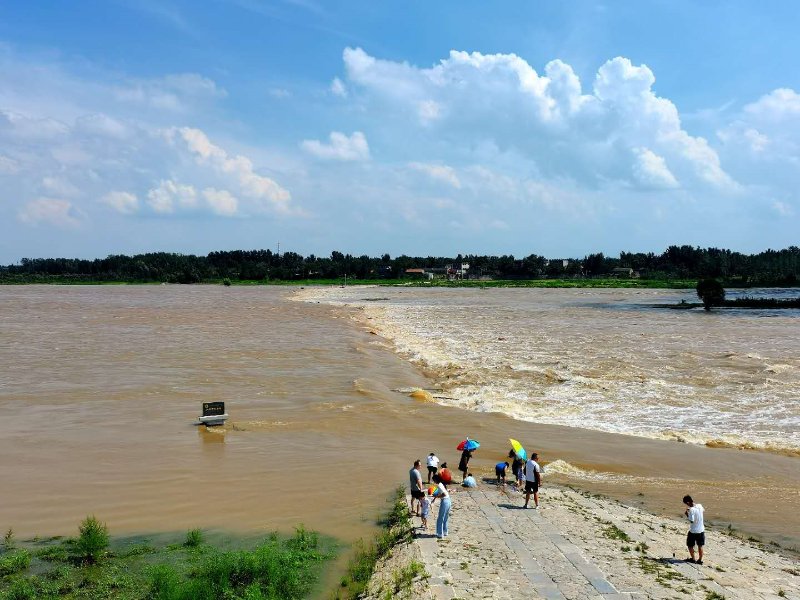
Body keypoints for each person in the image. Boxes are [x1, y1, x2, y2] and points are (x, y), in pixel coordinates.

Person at [683, 495, 705, 564]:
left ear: (688, 502)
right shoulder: (700, 505)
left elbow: (691, 520)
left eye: (686, 504)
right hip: (701, 529)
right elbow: (702, 511)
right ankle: (700, 560)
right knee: (700, 545)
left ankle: (693, 559)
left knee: (690, 545)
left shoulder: (691, 510)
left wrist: (687, 514)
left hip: (693, 531)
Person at [430, 474, 451, 539]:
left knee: (440, 518)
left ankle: (439, 534)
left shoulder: (439, 485)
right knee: (445, 518)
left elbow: (443, 494)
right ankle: (445, 532)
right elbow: (444, 493)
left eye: (433, 480)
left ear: (436, 479)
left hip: (444, 501)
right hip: (448, 501)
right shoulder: (442, 484)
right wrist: (435, 497)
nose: (433, 482)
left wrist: (437, 496)